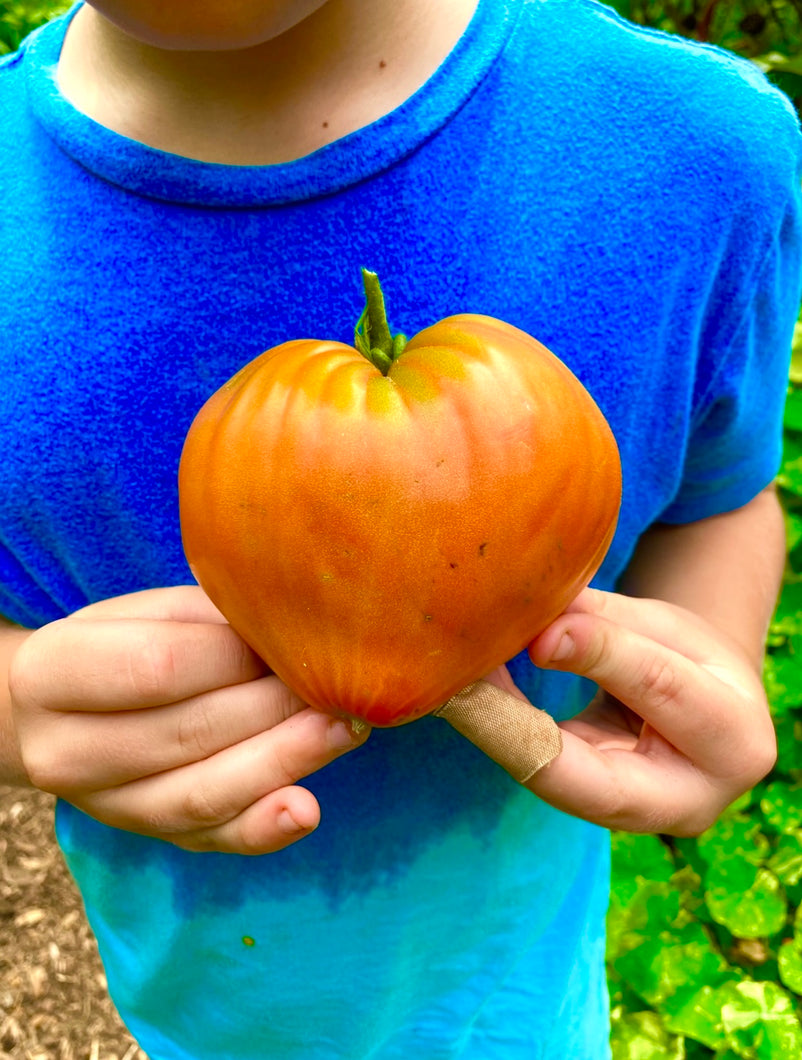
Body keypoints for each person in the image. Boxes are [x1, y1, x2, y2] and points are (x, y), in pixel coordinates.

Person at [0, 0, 799, 1056]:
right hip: (184, 1004)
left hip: (526, 1000)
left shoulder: (700, 151)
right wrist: (17, 710)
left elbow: (721, 495)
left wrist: (708, 659)